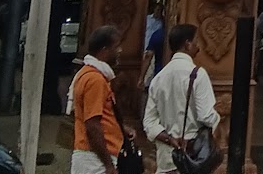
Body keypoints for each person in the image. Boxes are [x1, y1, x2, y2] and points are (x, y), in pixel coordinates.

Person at [143, 23, 220, 174]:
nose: (198, 45)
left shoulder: (159, 78)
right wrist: (217, 122)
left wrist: (170, 139)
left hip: (167, 158)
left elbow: (149, 122)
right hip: (193, 156)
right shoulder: (198, 74)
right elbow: (206, 116)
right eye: (196, 40)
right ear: (187, 44)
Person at [67, 26, 124, 174]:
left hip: (90, 156)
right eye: (116, 46)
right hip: (94, 159)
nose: (120, 51)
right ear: (104, 50)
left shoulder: (87, 74)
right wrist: (109, 165)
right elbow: (92, 125)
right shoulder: (95, 79)